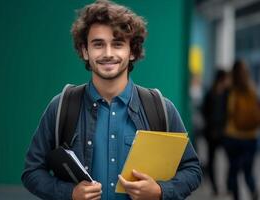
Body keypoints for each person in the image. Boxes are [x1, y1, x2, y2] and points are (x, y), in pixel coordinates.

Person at [21, 1, 202, 199]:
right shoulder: (61, 107)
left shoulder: (160, 108)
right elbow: (32, 172)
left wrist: (160, 191)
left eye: (117, 44)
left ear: (132, 51)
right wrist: (70, 193)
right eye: (98, 44)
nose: (108, 54)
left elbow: (192, 170)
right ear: (85, 51)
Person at [223, 60, 259, 200]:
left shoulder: (229, 90)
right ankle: (253, 190)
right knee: (248, 171)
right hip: (251, 137)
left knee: (233, 170)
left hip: (233, 136)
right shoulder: (252, 89)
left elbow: (225, 113)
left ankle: (235, 196)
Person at [201, 69, 230, 195]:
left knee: (230, 159)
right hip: (212, 133)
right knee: (212, 160)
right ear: (222, 79)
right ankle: (215, 187)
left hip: (225, 133)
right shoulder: (211, 94)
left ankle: (229, 184)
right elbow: (204, 111)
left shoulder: (227, 94)